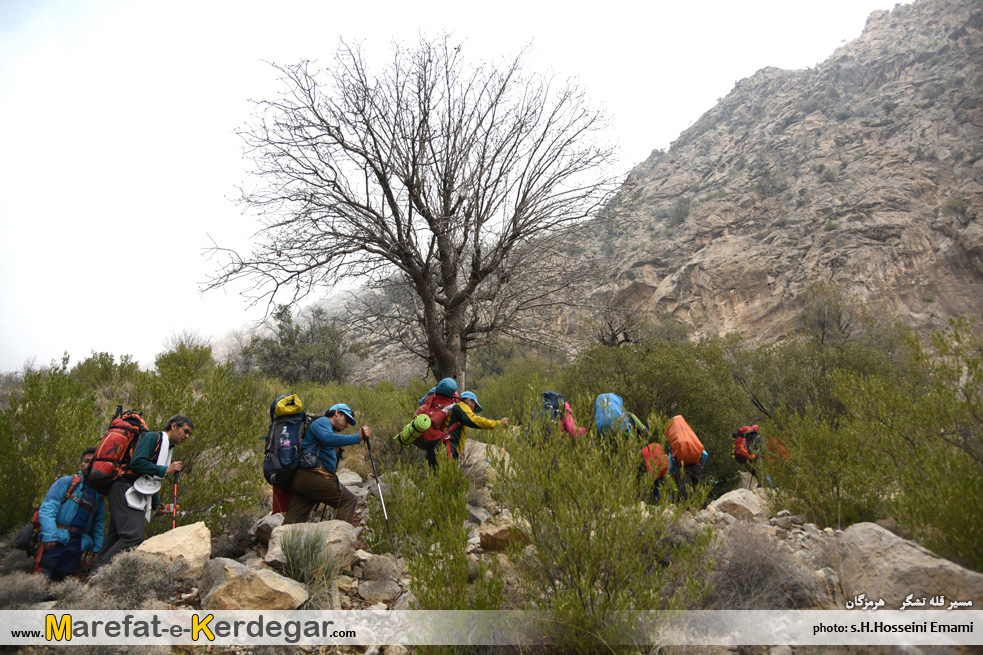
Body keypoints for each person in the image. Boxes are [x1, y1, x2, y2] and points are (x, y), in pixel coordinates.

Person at [92, 414, 193, 571]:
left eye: (189, 434)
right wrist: (165, 470)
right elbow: (137, 463)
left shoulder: (166, 446)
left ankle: (96, 574)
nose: (186, 436)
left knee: (117, 537)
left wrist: (156, 503)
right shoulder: (153, 437)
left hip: (129, 490)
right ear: (173, 426)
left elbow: (148, 479)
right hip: (124, 488)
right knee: (133, 536)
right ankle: (102, 573)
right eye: (185, 431)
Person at [285, 403, 371, 526]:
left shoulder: (325, 428)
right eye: (346, 419)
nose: (346, 425)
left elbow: (324, 445)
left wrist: (335, 451)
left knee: (292, 522)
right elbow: (328, 438)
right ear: (337, 412)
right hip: (312, 475)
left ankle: (280, 542)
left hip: (303, 479)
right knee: (348, 501)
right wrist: (358, 437)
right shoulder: (323, 421)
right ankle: (340, 539)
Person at [34, 448, 106, 581]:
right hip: (54, 541)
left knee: (61, 587)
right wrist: (49, 535)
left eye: (94, 462)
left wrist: (97, 548)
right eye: (86, 461)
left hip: (77, 546)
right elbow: (48, 508)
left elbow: (99, 524)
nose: (90, 465)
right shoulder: (66, 482)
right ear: (81, 464)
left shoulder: (98, 495)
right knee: (41, 581)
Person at [440, 391, 509, 465]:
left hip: (446, 447)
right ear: (469, 401)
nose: (474, 411)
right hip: (448, 447)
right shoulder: (461, 407)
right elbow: (475, 420)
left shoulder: (458, 409)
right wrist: (498, 424)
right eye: (475, 407)